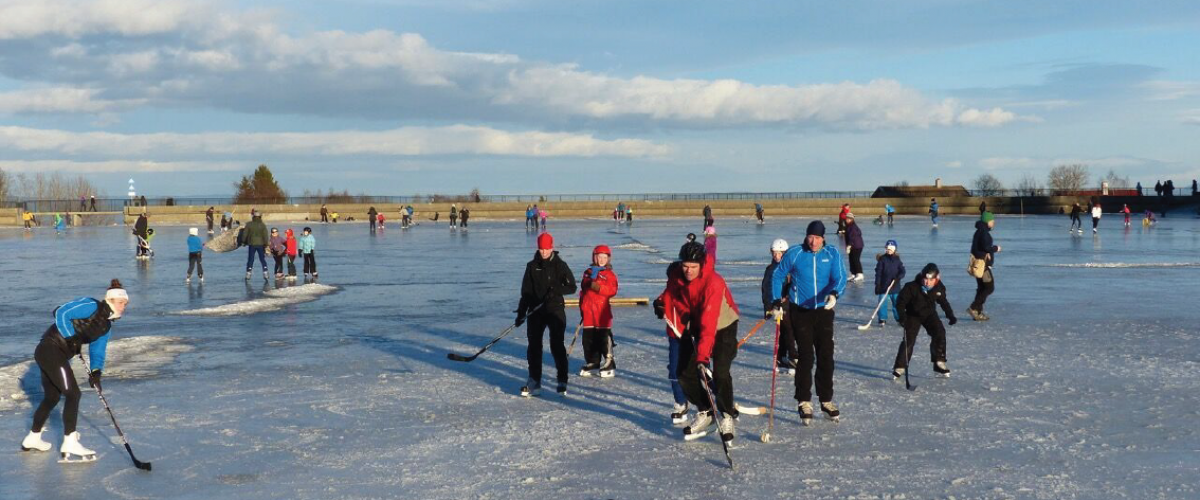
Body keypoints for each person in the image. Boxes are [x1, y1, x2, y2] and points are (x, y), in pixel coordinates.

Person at [21, 280, 129, 462]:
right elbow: (61, 312)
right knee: (73, 394)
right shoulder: (91, 305)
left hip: (58, 355)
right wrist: (71, 337)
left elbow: (98, 350)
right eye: (120, 303)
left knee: (52, 397)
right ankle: (70, 441)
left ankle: (33, 437)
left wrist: (96, 372)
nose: (123, 307)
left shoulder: (106, 327)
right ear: (110, 300)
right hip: (50, 348)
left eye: (125, 304)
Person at [661, 228, 741, 443]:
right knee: (683, 372)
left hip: (722, 323)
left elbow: (709, 323)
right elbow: (670, 293)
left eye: (693, 267)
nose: (688, 271)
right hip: (695, 321)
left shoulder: (712, 283)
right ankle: (705, 410)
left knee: (721, 371)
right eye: (685, 266)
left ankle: (725, 415)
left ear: (702, 265)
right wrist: (661, 304)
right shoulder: (677, 274)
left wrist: (703, 357)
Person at [770, 220, 846, 425]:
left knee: (826, 356)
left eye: (818, 238)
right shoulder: (795, 253)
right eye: (810, 237)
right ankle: (804, 401)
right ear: (806, 236)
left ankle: (826, 400)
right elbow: (777, 276)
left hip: (823, 310)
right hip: (800, 311)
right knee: (805, 356)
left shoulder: (831, 254)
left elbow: (840, 278)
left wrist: (834, 294)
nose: (813, 242)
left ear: (823, 238)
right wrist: (776, 300)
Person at [516, 233, 577, 396]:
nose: (544, 252)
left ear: (552, 247)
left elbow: (572, 287)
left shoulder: (560, 265)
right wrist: (521, 312)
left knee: (557, 345)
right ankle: (534, 380)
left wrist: (556, 291)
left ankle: (562, 379)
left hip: (554, 309)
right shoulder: (531, 266)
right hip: (535, 311)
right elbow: (526, 292)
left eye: (547, 248)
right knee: (534, 346)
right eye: (541, 249)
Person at [892, 263, 956, 379]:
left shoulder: (939, 288)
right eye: (925, 279)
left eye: (930, 280)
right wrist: (902, 317)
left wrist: (950, 315)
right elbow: (900, 303)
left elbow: (943, 302)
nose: (927, 282)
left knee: (940, 333)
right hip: (913, 315)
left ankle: (939, 362)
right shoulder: (911, 287)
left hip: (929, 314)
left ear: (936, 279)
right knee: (909, 340)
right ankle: (900, 367)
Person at [578, 245, 619, 378]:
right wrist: (589, 281)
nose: (601, 260)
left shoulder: (609, 274)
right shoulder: (588, 272)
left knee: (603, 336)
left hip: (602, 311)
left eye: (604, 257)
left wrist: (597, 287)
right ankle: (593, 361)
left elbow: (612, 290)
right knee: (588, 339)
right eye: (598, 257)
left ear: (608, 259)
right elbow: (584, 287)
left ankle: (609, 361)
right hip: (589, 309)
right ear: (594, 257)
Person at [762, 238, 797, 374]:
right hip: (775, 306)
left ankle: (792, 357)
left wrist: (787, 296)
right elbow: (765, 289)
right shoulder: (770, 269)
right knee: (783, 330)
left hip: (787, 304)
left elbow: (794, 285)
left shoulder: (790, 269)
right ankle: (783, 358)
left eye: (780, 253)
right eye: (774, 253)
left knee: (789, 330)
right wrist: (767, 307)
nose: (776, 256)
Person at [967, 212, 1001, 321]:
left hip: (979, 264)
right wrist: (996, 248)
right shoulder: (984, 233)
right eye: (992, 221)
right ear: (987, 221)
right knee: (989, 287)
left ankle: (978, 312)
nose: (994, 222)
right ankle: (974, 307)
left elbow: (978, 248)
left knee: (982, 288)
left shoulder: (979, 231)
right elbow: (986, 247)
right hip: (983, 266)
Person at [874, 239, 906, 327]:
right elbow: (878, 273)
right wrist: (877, 285)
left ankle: (900, 319)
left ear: (895, 249)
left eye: (891, 248)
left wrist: (898, 277)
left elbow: (902, 271)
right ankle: (882, 319)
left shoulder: (897, 260)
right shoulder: (882, 260)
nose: (889, 250)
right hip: (884, 287)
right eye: (888, 248)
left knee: (897, 304)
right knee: (882, 303)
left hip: (895, 287)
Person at [244, 211, 269, 280]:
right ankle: (265, 272)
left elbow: (245, 234)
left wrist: (243, 241)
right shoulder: (262, 225)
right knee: (262, 258)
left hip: (252, 244)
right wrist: (266, 244)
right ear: (260, 217)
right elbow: (265, 235)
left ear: (253, 217)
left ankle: (248, 273)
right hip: (261, 244)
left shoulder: (249, 224)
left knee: (251, 259)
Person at [844, 213, 864, 282]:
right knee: (851, 260)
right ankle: (853, 274)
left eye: (848, 219)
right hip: (853, 246)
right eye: (846, 218)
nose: (847, 220)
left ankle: (860, 274)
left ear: (851, 219)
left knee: (856, 259)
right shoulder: (848, 226)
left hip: (857, 246)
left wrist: (849, 246)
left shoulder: (852, 227)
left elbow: (852, 237)